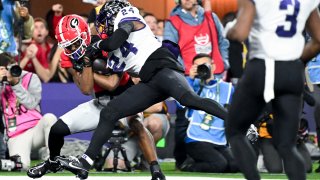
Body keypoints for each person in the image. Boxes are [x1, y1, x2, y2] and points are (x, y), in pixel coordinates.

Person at [57, 1, 227, 179]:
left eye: (103, 22)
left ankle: (237, 123)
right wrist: (85, 56)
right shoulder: (112, 47)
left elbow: (113, 41)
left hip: (163, 68)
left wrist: (96, 47)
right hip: (150, 81)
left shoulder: (127, 18)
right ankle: (85, 164)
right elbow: (101, 55)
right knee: (109, 112)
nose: (101, 28)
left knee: (189, 100)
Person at [27, 14, 165, 180]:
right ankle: (53, 162)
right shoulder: (67, 55)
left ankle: (156, 170)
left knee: (136, 124)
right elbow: (86, 89)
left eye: (75, 44)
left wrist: (88, 66)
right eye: (68, 46)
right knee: (57, 130)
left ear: (85, 36)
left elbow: (113, 83)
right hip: (101, 103)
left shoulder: (107, 45)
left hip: (125, 99)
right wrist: (86, 64)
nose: (72, 49)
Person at [225, 0, 320, 179]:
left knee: (235, 131)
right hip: (292, 70)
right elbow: (318, 40)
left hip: (263, 66)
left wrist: (228, 28)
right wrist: (295, 63)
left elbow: (240, 32)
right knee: (287, 145)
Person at [181, 54, 238, 173]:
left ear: (213, 66)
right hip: (196, 139)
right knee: (219, 165)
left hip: (218, 139)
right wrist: (190, 79)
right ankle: (189, 166)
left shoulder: (227, 88)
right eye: (197, 66)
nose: (202, 68)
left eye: (204, 65)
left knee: (234, 166)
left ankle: (198, 161)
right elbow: (179, 105)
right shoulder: (190, 85)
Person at [0, 53, 57, 170]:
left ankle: (53, 160)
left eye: (9, 67)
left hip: (36, 128)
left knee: (50, 118)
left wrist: (16, 84)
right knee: (22, 166)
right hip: (16, 134)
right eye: (2, 68)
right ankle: (35, 155)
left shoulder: (30, 77)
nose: (7, 71)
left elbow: (31, 104)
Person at [164, 0, 229, 77]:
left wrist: (224, 62)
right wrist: (182, 70)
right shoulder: (172, 22)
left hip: (216, 73)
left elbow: (223, 42)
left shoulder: (211, 17)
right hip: (189, 76)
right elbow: (170, 50)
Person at [20, 18, 52, 82]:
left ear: (47, 32)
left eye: (42, 27)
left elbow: (46, 78)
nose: (39, 30)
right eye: (35, 27)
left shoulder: (52, 49)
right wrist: (27, 56)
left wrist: (33, 57)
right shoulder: (23, 49)